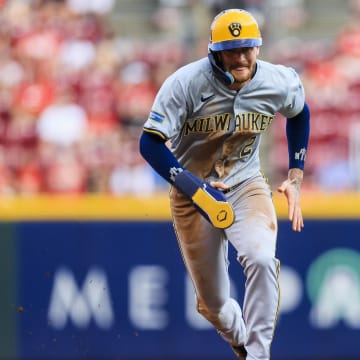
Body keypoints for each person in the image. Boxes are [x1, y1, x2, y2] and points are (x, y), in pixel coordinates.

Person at [139, 8, 310, 360]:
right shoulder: (185, 83)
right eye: (233, 49)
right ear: (215, 51)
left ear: (259, 48)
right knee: (213, 304)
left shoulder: (277, 80)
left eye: (249, 48)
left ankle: (258, 356)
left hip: (246, 182)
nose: (243, 56)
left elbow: (300, 112)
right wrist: (191, 187)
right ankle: (242, 342)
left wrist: (295, 173)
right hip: (192, 191)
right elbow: (150, 143)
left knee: (262, 260)